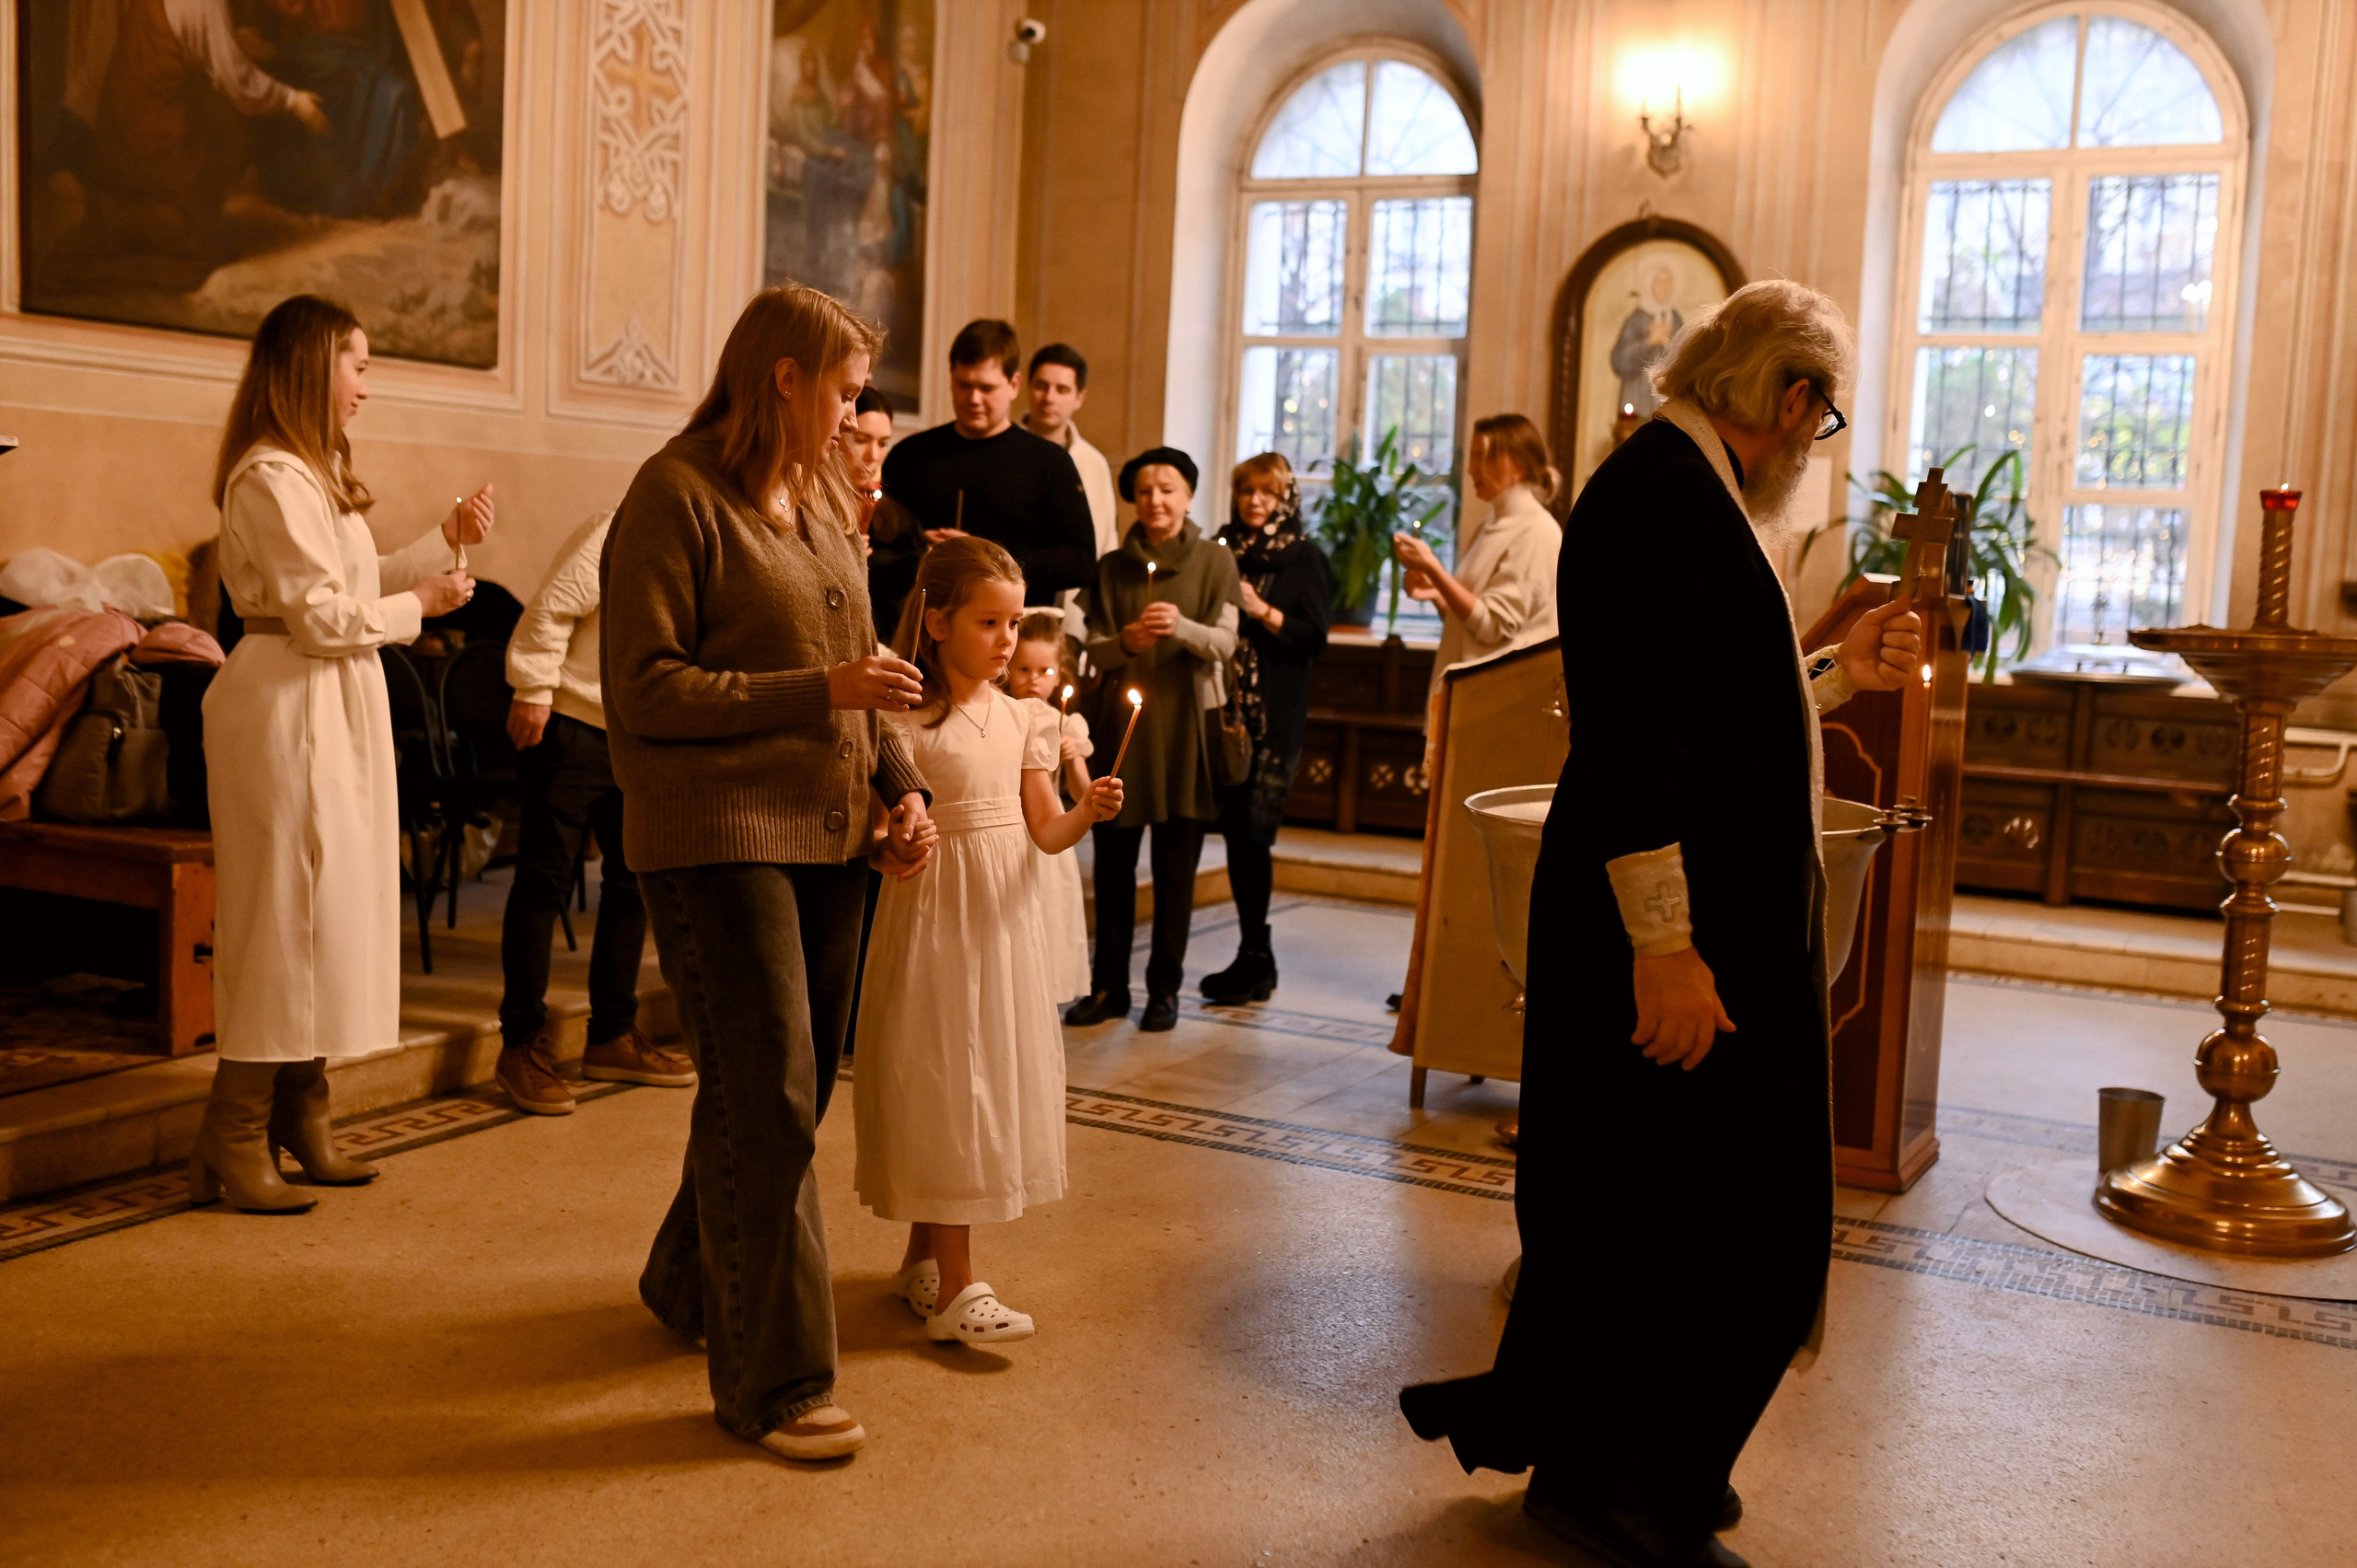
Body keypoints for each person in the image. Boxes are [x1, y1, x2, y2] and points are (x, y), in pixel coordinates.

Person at [1397, 281, 1925, 1568]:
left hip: (1695, 926)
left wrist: (1838, 669)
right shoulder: (1658, 499)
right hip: (1679, 939)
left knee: (1660, 1212)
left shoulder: (1686, 493)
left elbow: (1714, 708)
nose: (1819, 440)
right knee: (1731, 1226)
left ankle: (1630, 1467)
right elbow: (1634, 742)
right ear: (1791, 398)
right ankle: (1634, 1483)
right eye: (1827, 416)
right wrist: (1665, 945)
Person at [601, 284, 937, 1465]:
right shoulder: (675, 494)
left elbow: (865, 671)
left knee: (777, 1090)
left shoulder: (826, 504)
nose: (859, 420)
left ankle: (690, 1278)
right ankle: (776, 1380)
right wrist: (823, 696)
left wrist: (905, 789)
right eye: (846, 393)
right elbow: (642, 689)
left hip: (832, 836)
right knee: (773, 1089)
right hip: (715, 834)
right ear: (783, 377)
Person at [196, 294, 489, 1214]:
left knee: (329, 907)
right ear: (309, 364)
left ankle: (301, 1108)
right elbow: (320, 618)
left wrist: (440, 548)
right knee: (280, 911)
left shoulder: (314, 471)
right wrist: (424, 609)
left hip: (334, 696)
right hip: (285, 703)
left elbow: (351, 583)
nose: (366, 383)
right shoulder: (269, 476)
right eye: (356, 362)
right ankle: (232, 1129)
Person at [853, 539, 1123, 1344]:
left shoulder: (1024, 718)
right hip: (936, 917)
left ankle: (922, 1263)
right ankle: (958, 1286)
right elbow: (877, 823)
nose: (1008, 639)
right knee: (943, 1075)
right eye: (988, 621)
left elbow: (1045, 829)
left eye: (1014, 621)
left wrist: (1090, 811)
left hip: (1002, 927)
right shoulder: (902, 715)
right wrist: (890, 841)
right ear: (935, 621)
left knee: (982, 1070)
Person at [493, 509, 697, 1117]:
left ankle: (610, 1033)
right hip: (576, 723)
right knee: (543, 884)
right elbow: (555, 602)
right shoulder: (628, 519)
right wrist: (532, 686)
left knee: (633, 884)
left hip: (641, 736)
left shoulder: (714, 530)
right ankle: (521, 1043)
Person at [1065, 447, 1241, 1033]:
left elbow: (1226, 644)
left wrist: (1181, 629)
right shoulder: (1112, 566)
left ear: (1189, 496)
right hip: (1125, 731)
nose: (1156, 501)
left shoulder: (1216, 562)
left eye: (1168, 489)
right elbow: (1091, 646)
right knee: (1114, 867)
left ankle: (1164, 991)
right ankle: (1107, 986)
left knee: (1175, 871)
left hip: (1186, 730)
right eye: (1144, 491)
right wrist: (1130, 642)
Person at [1199, 454, 1332, 1005]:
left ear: (1285, 499)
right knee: (1235, 836)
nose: (1257, 502)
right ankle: (1256, 956)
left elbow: (1314, 637)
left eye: (1268, 494)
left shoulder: (1304, 557)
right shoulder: (1218, 550)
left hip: (1273, 719)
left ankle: (1256, 955)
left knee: (1254, 837)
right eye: (1248, 492)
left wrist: (1261, 611)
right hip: (1222, 712)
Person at [879, 319, 1097, 607]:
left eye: (986, 388)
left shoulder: (1050, 462)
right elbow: (879, 547)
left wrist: (986, 557)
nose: (973, 399)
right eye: (964, 385)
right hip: (922, 623)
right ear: (951, 377)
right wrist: (918, 547)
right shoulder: (911, 454)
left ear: (1014, 384)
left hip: (1014, 632)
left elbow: (1080, 561)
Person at [1391, 413, 1564, 691]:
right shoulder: (1491, 526)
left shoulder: (1536, 531)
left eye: (1482, 456)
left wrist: (1434, 569)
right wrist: (1438, 592)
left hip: (1502, 702)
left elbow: (1494, 626)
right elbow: (1470, 627)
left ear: (1517, 465)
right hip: (1473, 695)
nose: (1471, 469)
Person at [1004, 608, 1091, 1002]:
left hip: (1049, 832)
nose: (1034, 681)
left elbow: (1081, 792)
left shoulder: (1065, 722)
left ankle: (1040, 1003)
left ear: (1060, 675)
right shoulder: (1000, 714)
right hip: (1006, 829)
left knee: (1046, 918)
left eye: (1045, 672)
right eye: (1023, 669)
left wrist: (1072, 757)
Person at [1020, 343, 1119, 562]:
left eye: (1062, 389)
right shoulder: (1005, 449)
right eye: (1041, 386)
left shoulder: (1094, 463)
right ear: (1027, 386)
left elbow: (1105, 540)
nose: (1049, 398)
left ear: (1079, 398)